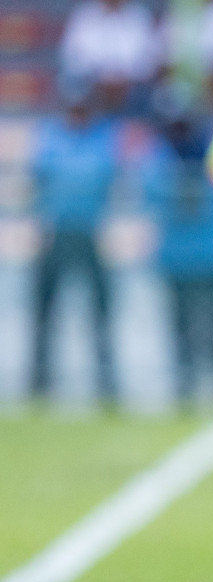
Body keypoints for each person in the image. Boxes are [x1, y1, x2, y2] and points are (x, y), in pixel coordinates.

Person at [29, 83, 121, 406]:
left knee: (100, 312)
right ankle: (39, 380)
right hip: (56, 233)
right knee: (45, 312)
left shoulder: (101, 139)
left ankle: (106, 380)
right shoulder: (51, 137)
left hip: (90, 233)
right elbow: (40, 181)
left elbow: (102, 179)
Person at [143, 103, 213, 406]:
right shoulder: (159, 156)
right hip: (177, 257)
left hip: (212, 255)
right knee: (180, 325)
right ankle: (185, 381)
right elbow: (153, 192)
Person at [59, 0, 159, 115]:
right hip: (92, 85)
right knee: (72, 89)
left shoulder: (139, 15)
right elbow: (71, 56)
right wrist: (101, 76)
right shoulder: (84, 14)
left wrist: (123, 76)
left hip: (132, 87)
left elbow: (149, 59)